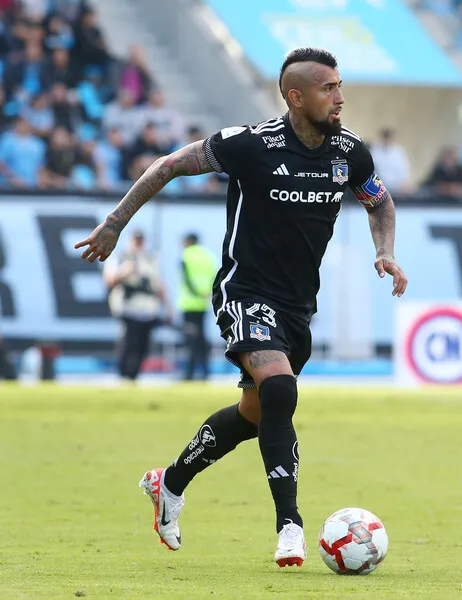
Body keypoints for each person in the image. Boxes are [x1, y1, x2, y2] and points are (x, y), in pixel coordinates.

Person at [75, 47, 407, 568]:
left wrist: (384, 250)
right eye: (328, 89)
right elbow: (168, 166)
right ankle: (290, 526)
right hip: (244, 291)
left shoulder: (349, 153)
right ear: (295, 97)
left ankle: (170, 482)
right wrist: (115, 224)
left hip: (298, 306)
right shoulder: (250, 144)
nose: (340, 98)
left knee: (256, 412)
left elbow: (379, 200)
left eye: (340, 86)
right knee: (280, 389)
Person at [102, 230, 171, 381]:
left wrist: (168, 308)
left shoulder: (151, 259)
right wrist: (124, 272)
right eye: (135, 240)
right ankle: (123, 374)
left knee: (142, 347)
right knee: (128, 344)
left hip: (147, 310)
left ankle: (134, 376)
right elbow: (109, 281)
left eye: (140, 240)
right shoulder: (120, 257)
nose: (138, 243)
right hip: (127, 309)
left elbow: (159, 286)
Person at [179, 233, 217, 381]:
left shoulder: (186, 255)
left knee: (190, 340)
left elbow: (186, 279)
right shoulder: (208, 256)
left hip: (189, 304)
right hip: (203, 303)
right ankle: (205, 371)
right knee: (201, 339)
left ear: (188, 241)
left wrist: (196, 293)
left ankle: (189, 373)